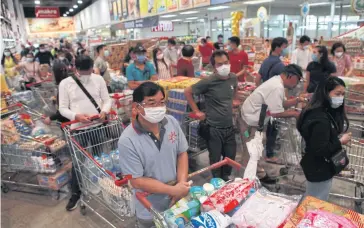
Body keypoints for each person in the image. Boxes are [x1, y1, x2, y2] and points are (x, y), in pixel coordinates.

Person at [118, 82, 189, 227]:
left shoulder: (172, 123)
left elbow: (182, 153)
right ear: (137, 107)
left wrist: (181, 184)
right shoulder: (127, 140)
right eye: (151, 103)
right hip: (149, 207)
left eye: (161, 102)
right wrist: (173, 190)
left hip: (177, 200)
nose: (158, 107)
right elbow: (136, 180)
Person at [59, 55, 111, 211]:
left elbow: (107, 100)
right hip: (77, 129)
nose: (86, 76)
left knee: (99, 158)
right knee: (78, 163)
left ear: (92, 68)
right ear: (76, 69)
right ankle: (76, 193)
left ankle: (100, 185)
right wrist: (76, 117)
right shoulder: (65, 84)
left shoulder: (98, 80)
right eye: (83, 72)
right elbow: (62, 108)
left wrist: (104, 111)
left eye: (89, 72)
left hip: (97, 126)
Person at [239, 64, 306, 182]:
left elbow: (281, 104)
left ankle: (258, 173)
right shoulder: (277, 87)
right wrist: (295, 114)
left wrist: (297, 100)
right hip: (249, 122)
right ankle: (246, 180)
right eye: (298, 80)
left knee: (256, 148)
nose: (297, 84)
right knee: (250, 151)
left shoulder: (277, 82)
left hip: (255, 120)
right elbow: (276, 113)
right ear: (291, 76)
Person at [185, 50, 237, 181]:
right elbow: (187, 91)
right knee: (215, 159)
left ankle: (226, 179)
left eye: (226, 63)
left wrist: (233, 102)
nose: (224, 66)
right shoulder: (208, 81)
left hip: (229, 127)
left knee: (230, 157)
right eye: (219, 64)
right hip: (214, 128)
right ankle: (216, 182)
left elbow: (234, 91)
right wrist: (197, 111)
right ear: (214, 67)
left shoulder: (233, 78)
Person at [297, 76, 351, 201]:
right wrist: (340, 141)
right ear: (325, 93)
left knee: (312, 196)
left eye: (343, 94)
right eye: (337, 93)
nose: (341, 97)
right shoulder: (320, 118)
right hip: (319, 168)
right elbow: (320, 150)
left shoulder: (317, 111)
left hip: (315, 166)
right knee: (316, 200)